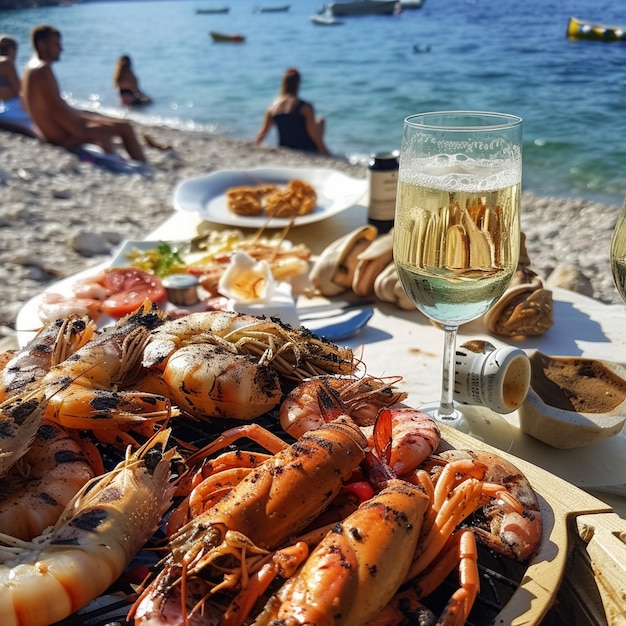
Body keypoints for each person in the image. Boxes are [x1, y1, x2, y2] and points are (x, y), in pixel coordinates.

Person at [22, 25, 146, 162]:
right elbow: (56, 110)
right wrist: (84, 132)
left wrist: (92, 120)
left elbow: (52, 108)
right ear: (42, 45)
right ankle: (143, 167)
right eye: (56, 44)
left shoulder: (30, 68)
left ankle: (116, 160)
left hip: (51, 131)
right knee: (125, 127)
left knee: (107, 123)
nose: (61, 49)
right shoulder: (43, 70)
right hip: (61, 137)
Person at [255, 67, 330, 155]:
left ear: (283, 84)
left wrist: (255, 145)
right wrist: (324, 150)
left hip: (284, 147)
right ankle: (321, 150)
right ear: (298, 84)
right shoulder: (305, 107)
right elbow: (313, 133)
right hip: (305, 147)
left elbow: (263, 133)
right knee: (320, 120)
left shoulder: (272, 108)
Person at [0, 34, 36, 135]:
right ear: (11, 50)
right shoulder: (7, 63)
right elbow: (19, 91)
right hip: (13, 106)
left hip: (4, 105)